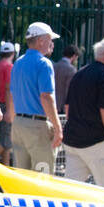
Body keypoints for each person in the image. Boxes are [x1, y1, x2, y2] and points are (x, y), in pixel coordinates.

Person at [62, 35, 104, 190]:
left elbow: (68, 107)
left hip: (74, 140)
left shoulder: (80, 74)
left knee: (71, 191)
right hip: (99, 142)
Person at [9, 22, 62, 173]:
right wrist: (58, 128)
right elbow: (46, 97)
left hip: (18, 124)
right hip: (37, 126)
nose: (52, 44)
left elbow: (12, 95)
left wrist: (15, 121)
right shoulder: (44, 63)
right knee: (42, 175)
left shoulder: (18, 63)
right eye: (50, 39)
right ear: (41, 41)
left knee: (22, 175)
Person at [53, 45, 79, 115]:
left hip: (51, 104)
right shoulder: (71, 69)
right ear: (74, 56)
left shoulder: (54, 66)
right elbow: (70, 90)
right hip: (62, 106)